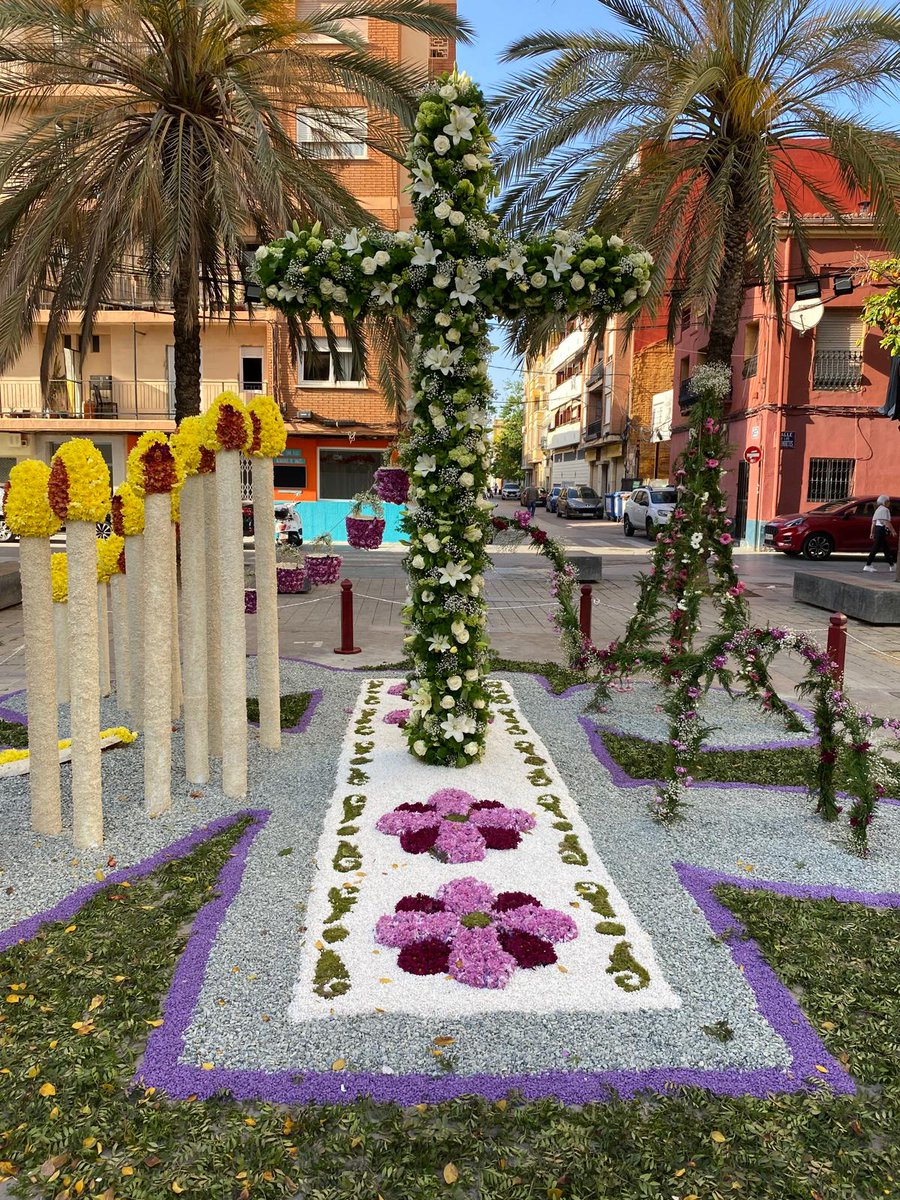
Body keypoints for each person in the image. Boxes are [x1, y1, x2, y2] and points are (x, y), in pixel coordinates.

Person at [864, 495, 896, 572]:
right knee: (875, 548)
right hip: (881, 530)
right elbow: (886, 522)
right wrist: (893, 531)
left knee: (886, 549)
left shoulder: (877, 509)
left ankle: (892, 565)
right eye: (888, 501)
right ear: (885, 502)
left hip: (877, 530)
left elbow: (873, 523)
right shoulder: (885, 510)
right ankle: (868, 565)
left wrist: (872, 533)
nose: (889, 503)